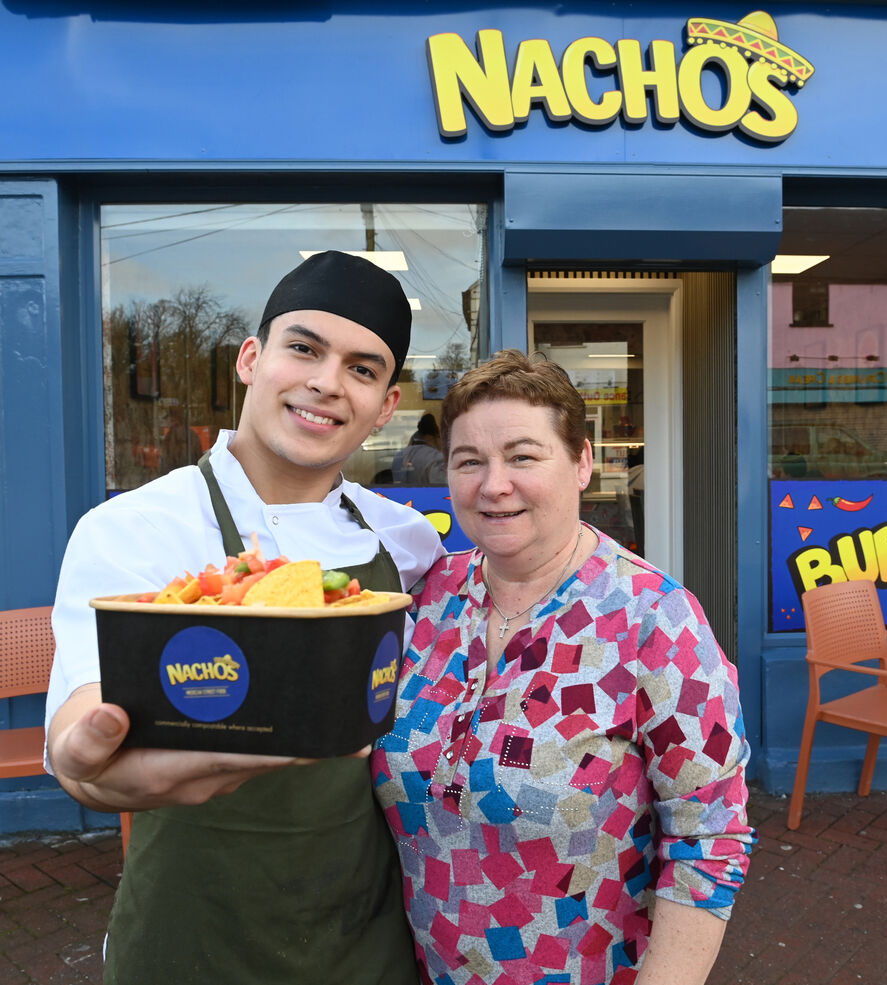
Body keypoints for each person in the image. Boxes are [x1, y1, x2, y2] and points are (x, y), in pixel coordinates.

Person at [44, 251, 445, 984]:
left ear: (386, 405)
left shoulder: (409, 543)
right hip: (191, 943)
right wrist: (90, 769)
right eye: (304, 348)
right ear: (252, 359)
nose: (326, 381)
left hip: (365, 939)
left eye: (363, 368)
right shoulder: (137, 529)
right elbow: (87, 716)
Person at [371, 350, 753, 985]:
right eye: (470, 462)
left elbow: (709, 840)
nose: (494, 484)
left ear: (582, 463)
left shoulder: (654, 618)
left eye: (523, 456)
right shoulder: (429, 598)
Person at [392, 411, 447, 485]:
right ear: (432, 437)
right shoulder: (436, 458)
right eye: (440, 437)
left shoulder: (400, 455)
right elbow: (441, 488)